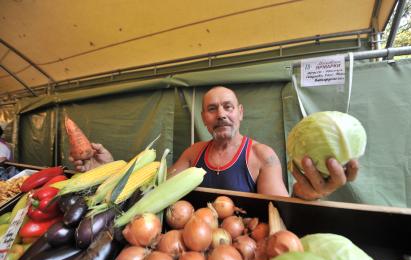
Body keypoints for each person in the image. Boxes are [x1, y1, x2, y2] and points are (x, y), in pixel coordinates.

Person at [70, 86, 359, 199]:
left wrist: (308, 193)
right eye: (212, 109)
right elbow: (154, 192)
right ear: (205, 119)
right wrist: (111, 170)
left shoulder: (261, 155)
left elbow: (280, 207)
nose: (221, 114)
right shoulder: (193, 154)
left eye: (228, 107)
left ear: (240, 113)